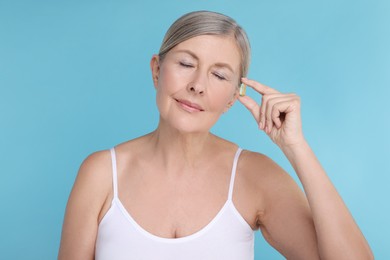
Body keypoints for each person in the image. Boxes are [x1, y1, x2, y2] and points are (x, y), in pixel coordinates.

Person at [58, 10, 373, 260]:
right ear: (156, 69)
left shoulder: (255, 176)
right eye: (185, 63)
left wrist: (296, 148)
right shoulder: (101, 173)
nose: (198, 85)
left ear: (233, 97)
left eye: (219, 75)